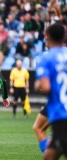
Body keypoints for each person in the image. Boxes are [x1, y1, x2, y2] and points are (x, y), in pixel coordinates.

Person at [35, 23, 67, 160]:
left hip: (61, 113)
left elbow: (46, 87)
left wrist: (37, 84)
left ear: (47, 37)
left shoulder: (45, 58)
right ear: (64, 37)